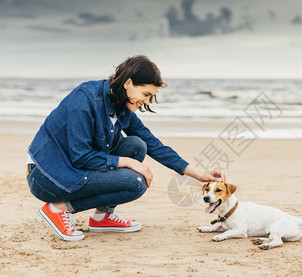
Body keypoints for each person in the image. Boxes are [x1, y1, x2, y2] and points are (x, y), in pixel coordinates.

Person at [26, 55, 226, 242]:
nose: (146, 102)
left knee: (137, 145)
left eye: (150, 97)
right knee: (136, 182)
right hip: (47, 176)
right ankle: (58, 209)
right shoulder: (85, 99)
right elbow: (81, 157)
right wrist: (128, 163)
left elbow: (153, 143)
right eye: (146, 94)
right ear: (128, 83)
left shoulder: (121, 105)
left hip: (73, 168)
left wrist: (198, 173)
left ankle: (102, 217)